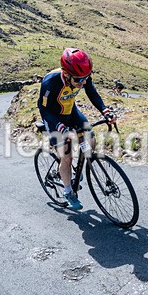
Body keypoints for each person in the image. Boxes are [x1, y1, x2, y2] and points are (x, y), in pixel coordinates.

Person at [37, 48, 115, 210]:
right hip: (53, 118)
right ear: (66, 74)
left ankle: (79, 169)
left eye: (86, 77)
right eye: (79, 80)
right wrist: (59, 126)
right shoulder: (50, 83)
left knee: (90, 138)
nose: (83, 82)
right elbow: (44, 109)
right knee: (67, 155)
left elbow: (91, 92)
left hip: (70, 112)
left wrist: (105, 111)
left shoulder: (82, 76)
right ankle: (68, 191)